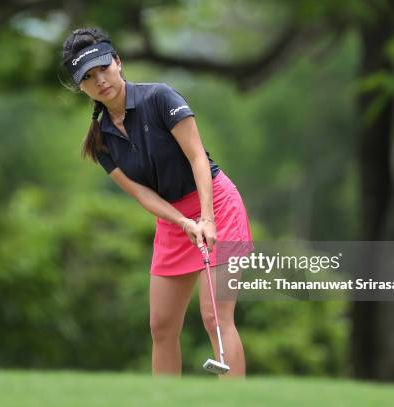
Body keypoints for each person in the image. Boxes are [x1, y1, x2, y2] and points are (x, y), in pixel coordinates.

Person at [61, 27, 254, 378]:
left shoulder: (160, 98)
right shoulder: (100, 142)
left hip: (218, 206)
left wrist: (206, 219)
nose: (100, 80)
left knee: (215, 317)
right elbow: (143, 195)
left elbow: (198, 158)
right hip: (173, 219)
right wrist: (184, 223)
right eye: (88, 77)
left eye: (104, 68)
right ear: (81, 88)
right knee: (162, 327)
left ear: (118, 63)